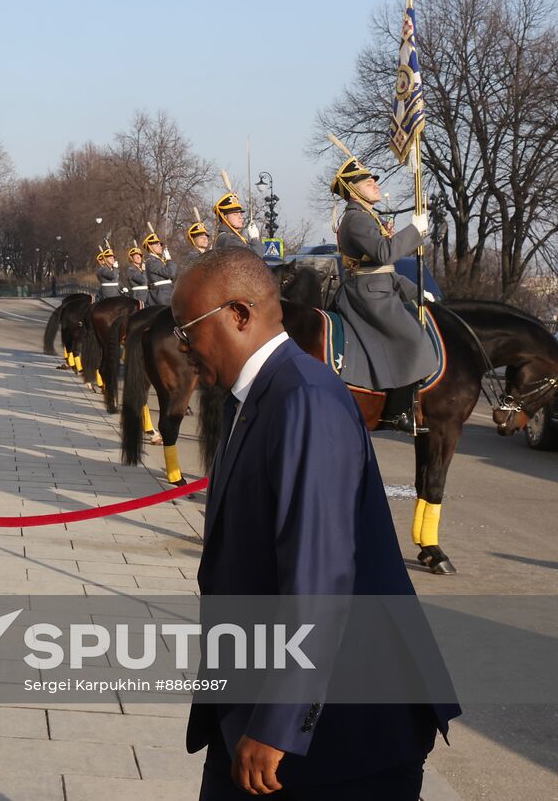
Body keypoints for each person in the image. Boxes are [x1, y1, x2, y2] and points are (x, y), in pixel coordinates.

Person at [172, 248, 458, 799]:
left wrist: (279, 722)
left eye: (188, 330)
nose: (184, 348)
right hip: (265, 706)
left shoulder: (303, 398)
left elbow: (319, 577)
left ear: (238, 314)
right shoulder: (252, 394)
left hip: (339, 732)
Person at [329, 157, 434, 433]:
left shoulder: (367, 218)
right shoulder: (356, 219)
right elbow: (386, 254)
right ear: (353, 192)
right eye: (367, 182)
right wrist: (416, 231)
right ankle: (397, 412)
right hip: (367, 294)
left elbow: (384, 268)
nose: (374, 184)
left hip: (380, 287)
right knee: (411, 339)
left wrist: (416, 291)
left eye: (373, 180)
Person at [144, 231, 177, 306]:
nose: (160, 246)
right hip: (162, 294)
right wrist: (169, 260)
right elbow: (171, 273)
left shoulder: (158, 260)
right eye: (157, 244)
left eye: (160, 244)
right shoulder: (151, 261)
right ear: (150, 247)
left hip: (166, 292)